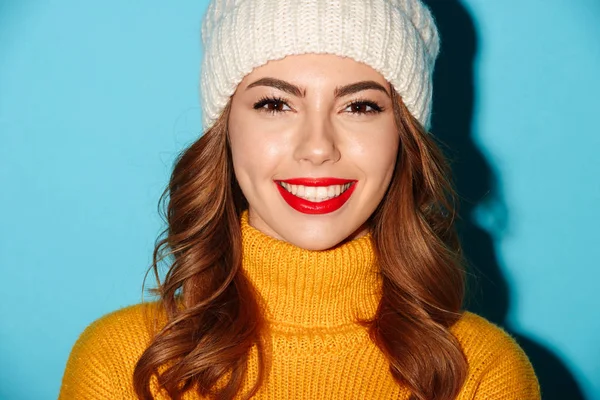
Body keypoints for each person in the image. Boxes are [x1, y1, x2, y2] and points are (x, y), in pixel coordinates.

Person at [59, 0, 541, 399]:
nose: (317, 147)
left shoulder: (481, 372)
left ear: (403, 136)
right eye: (274, 104)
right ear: (224, 131)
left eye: (359, 106)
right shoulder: (122, 363)